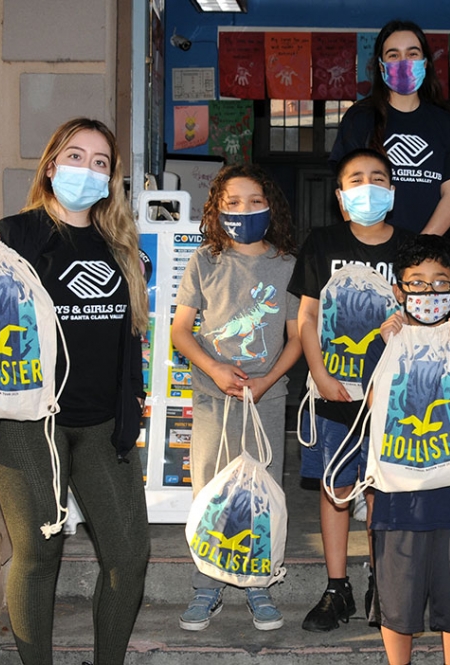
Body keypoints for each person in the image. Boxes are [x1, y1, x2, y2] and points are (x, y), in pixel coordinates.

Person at [0, 118, 150, 665]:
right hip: (27, 424)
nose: (86, 169)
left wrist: (130, 412)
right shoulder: (16, 234)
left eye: (100, 162)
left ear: (110, 179)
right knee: (39, 553)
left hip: (100, 425)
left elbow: (128, 339)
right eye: (75, 156)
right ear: (50, 166)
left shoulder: (120, 244)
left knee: (128, 555)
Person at [288, 148, 415, 631]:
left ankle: (381, 583)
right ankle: (336, 587)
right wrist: (319, 374)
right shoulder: (321, 243)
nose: (368, 186)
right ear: (342, 198)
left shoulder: (409, 248)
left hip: (392, 395)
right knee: (337, 486)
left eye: (377, 177)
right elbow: (307, 317)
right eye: (356, 179)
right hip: (334, 390)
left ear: (392, 190)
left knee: (382, 488)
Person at [172, 164, 301, 632]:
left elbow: (297, 338)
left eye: (253, 201)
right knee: (208, 489)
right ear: (216, 208)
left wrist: (264, 383)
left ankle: (258, 583)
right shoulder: (204, 261)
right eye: (231, 203)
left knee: (260, 490)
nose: (243, 211)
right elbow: (180, 332)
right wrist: (215, 369)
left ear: (271, 206)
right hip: (211, 399)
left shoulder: (288, 265)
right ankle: (206, 583)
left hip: (265, 399)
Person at [363, 234, 450, 665]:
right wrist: (386, 346)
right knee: (397, 596)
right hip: (400, 495)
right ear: (398, 291)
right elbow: (372, 406)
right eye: (416, 282)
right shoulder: (381, 346)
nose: (428, 292)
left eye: (440, 282)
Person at [329, 19, 450, 235]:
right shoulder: (359, 118)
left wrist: (420, 250)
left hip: (426, 255)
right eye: (394, 55)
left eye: (412, 53)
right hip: (372, 250)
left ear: (425, 63)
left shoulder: (446, 124)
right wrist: (365, 245)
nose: (403, 61)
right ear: (381, 66)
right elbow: (348, 193)